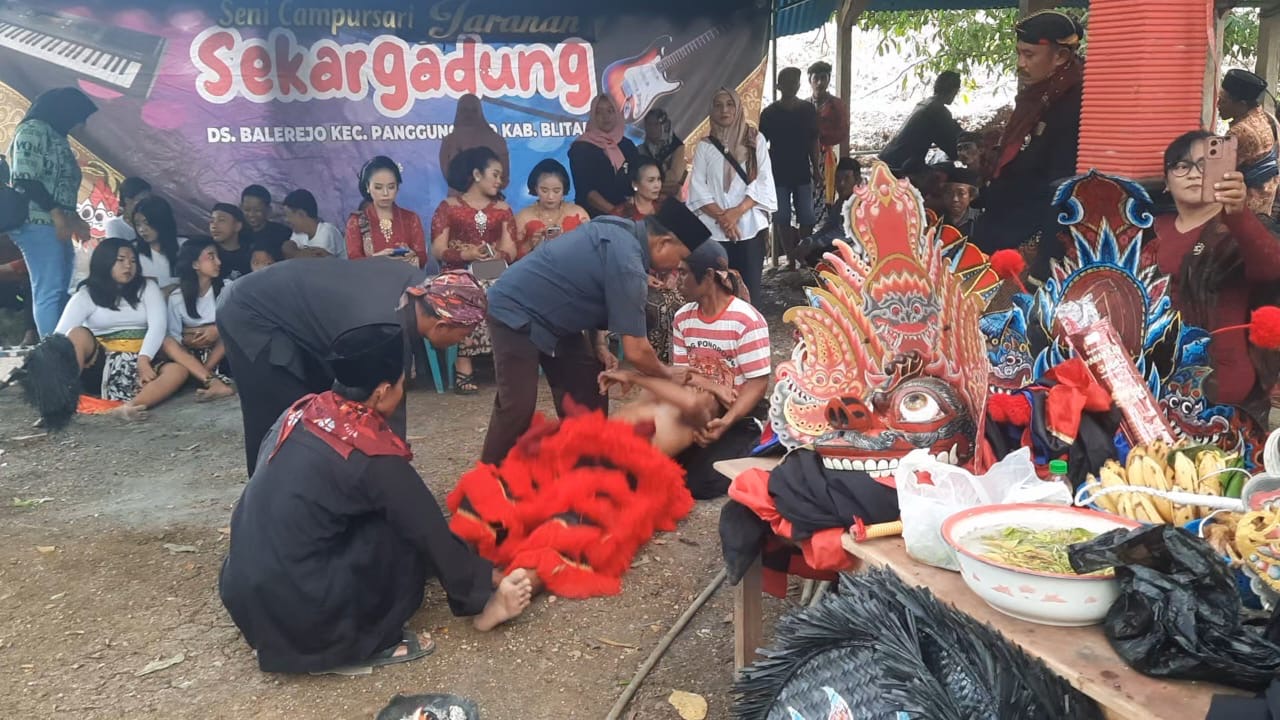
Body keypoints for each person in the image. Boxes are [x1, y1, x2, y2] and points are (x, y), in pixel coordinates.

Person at [219, 322, 533, 675]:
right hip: (307, 616)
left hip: (248, 596)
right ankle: (360, 644)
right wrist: (481, 586)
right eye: (403, 384)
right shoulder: (370, 453)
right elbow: (427, 529)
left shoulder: (303, 410)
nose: (403, 391)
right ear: (382, 391)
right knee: (399, 534)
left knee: (369, 517)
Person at [480, 197, 712, 465]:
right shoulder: (628, 262)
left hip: (558, 319)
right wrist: (667, 373)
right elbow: (637, 351)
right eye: (680, 259)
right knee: (517, 406)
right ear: (663, 243)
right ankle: (486, 483)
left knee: (586, 389)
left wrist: (599, 345)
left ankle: (583, 472)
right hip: (515, 309)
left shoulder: (621, 231)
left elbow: (585, 286)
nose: (676, 267)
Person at [218, 262, 485, 475]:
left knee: (324, 409)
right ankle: (271, 496)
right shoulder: (383, 324)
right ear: (441, 326)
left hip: (297, 308)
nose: (464, 342)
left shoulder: (417, 286)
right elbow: (378, 402)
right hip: (250, 311)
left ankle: (325, 485)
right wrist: (393, 472)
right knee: (285, 415)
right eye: (464, 335)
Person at [600, 241, 771, 481]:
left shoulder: (747, 320)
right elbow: (681, 374)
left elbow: (757, 383)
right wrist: (710, 385)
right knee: (656, 419)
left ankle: (749, 438)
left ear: (709, 276)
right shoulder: (683, 317)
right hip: (697, 402)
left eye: (683, 273)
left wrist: (727, 421)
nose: (676, 280)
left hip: (737, 412)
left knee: (700, 481)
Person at [1145, 131, 1280, 422]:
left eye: (1205, 165)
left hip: (1219, 380)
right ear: (1167, 182)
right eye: (1182, 166)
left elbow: (1271, 268)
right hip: (1151, 372)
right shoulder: (1149, 228)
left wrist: (1239, 213)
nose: (1194, 174)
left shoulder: (1237, 228)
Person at [973, 10, 1085, 281]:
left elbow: (1061, 189)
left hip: (1028, 245)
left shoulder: (1074, 104)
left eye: (1029, 55)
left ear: (1060, 57)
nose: (1021, 63)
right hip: (1002, 229)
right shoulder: (1037, 97)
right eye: (1019, 53)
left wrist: (1044, 263)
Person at [53, 237, 188, 421]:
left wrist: (143, 359)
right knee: (76, 335)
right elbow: (59, 336)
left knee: (177, 371)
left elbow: (158, 325)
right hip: (100, 364)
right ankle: (61, 401)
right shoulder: (85, 295)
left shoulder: (147, 287)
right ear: (105, 261)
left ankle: (130, 407)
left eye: (133, 261)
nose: (128, 266)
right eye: (121, 260)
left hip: (142, 360)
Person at [7, 87, 96, 337]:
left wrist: (74, 218)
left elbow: (60, 186)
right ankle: (52, 354)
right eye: (81, 117)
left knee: (61, 289)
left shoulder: (57, 136)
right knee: (49, 290)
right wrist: (58, 215)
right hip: (37, 221)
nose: (82, 124)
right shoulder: (33, 130)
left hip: (56, 223)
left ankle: (65, 346)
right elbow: (25, 179)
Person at [430, 147, 517, 395]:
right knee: (470, 291)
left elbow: (510, 250)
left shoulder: (502, 209)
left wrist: (488, 253)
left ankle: (505, 362)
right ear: (477, 174)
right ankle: (464, 363)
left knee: (501, 290)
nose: (499, 181)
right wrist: (465, 255)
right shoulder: (448, 207)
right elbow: (438, 249)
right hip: (456, 274)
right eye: (495, 174)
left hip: (493, 271)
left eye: (501, 176)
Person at [688, 86, 777, 305]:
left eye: (729, 104)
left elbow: (762, 181)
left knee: (749, 291)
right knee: (719, 292)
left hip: (749, 227)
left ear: (738, 108)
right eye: (718, 105)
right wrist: (723, 218)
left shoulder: (755, 140)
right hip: (715, 231)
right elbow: (698, 187)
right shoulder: (705, 146)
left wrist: (735, 214)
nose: (724, 110)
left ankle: (749, 336)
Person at [618, 159, 681, 363]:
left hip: (672, 274)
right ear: (635, 184)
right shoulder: (621, 214)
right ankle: (657, 362)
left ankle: (682, 358)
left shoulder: (670, 209)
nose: (657, 185)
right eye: (651, 180)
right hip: (635, 278)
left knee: (683, 299)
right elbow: (617, 256)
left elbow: (688, 247)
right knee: (659, 305)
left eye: (659, 180)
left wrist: (674, 275)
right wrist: (642, 276)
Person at [759, 67, 821, 272]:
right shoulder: (769, 114)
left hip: (802, 170)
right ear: (779, 86)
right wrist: (763, 172)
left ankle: (802, 255)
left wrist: (817, 169)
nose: (792, 85)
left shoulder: (807, 110)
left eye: (795, 81)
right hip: (778, 173)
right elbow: (761, 145)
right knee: (782, 217)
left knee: (807, 216)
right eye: (788, 81)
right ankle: (790, 259)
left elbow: (814, 141)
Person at [163, 238, 235, 402]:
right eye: (211, 257)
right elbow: (174, 335)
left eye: (217, 256)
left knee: (229, 331)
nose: (218, 262)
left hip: (222, 353)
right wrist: (188, 337)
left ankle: (205, 374)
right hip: (193, 354)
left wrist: (217, 329)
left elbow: (238, 322)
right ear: (195, 264)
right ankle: (205, 377)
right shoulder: (176, 298)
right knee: (167, 342)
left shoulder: (228, 288)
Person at [345, 156, 429, 268]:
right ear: (367, 187)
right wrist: (379, 259)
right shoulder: (356, 221)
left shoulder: (411, 218)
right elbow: (354, 262)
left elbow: (422, 258)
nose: (385, 193)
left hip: (406, 281)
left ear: (397, 187)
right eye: (378, 187)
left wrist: (411, 256)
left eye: (391, 187)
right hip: (371, 282)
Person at [1219, 69, 1280, 216]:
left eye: (1223, 100)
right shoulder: (1269, 119)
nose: (1217, 104)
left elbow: (1218, 175)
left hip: (1242, 209)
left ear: (1241, 104)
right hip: (1266, 205)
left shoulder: (1238, 133)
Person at [879, 71, 965, 176]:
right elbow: (954, 146)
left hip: (886, 161)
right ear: (955, 91)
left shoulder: (925, 104)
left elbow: (951, 133)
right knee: (953, 172)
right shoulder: (937, 111)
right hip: (900, 168)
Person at [569, 95, 640, 217]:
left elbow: (638, 178)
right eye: (599, 112)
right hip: (594, 218)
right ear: (592, 116)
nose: (605, 116)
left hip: (628, 214)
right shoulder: (581, 148)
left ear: (617, 114)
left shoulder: (627, 145)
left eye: (610, 111)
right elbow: (587, 192)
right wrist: (617, 213)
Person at [513, 159, 589, 260]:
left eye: (556, 191)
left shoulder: (578, 213)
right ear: (535, 188)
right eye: (544, 190)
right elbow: (511, 258)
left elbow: (592, 248)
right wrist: (530, 244)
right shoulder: (523, 217)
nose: (550, 197)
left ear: (564, 190)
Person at [795, 157, 863, 265]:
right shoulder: (839, 203)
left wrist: (816, 243)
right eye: (838, 179)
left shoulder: (860, 204)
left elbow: (844, 234)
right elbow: (828, 227)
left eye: (847, 179)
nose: (841, 183)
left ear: (857, 180)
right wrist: (809, 240)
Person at [439, 94, 510, 195]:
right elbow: (448, 175)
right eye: (465, 110)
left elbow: (504, 178)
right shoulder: (449, 140)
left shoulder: (496, 140)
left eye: (473, 110)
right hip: (465, 201)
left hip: (480, 201)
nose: (468, 114)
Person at [809, 61, 850, 204]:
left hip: (826, 157)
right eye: (816, 79)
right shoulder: (804, 105)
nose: (819, 83)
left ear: (829, 80)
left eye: (823, 78)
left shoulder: (836, 105)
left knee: (826, 195)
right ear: (810, 80)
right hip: (805, 157)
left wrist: (820, 136)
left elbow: (843, 132)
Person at [131, 196, 182, 294]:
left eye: (147, 223)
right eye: (138, 224)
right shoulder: (132, 250)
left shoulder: (183, 246)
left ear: (162, 221)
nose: (142, 229)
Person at [638, 108, 687, 199]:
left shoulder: (677, 147)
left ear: (665, 125)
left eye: (656, 124)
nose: (652, 128)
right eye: (649, 124)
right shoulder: (640, 150)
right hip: (648, 202)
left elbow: (674, 179)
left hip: (671, 202)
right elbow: (638, 180)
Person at [282, 189, 345, 259]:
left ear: (301, 214)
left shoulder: (327, 231)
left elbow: (317, 264)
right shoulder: (300, 233)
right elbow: (286, 247)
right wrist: (298, 253)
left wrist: (298, 254)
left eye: (288, 216)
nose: (286, 220)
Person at [240, 185, 294, 261]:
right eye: (247, 210)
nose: (251, 214)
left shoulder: (282, 233)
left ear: (268, 210)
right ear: (241, 207)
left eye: (257, 210)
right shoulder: (236, 233)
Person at [209, 203, 252, 280]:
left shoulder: (251, 253)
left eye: (221, 220)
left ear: (237, 226)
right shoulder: (205, 252)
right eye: (212, 221)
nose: (214, 226)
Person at [942, 165, 982, 236]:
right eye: (949, 192)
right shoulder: (936, 218)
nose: (955, 199)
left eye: (961, 193)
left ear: (971, 196)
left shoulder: (980, 220)